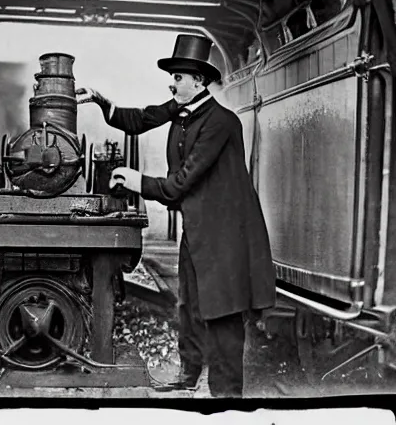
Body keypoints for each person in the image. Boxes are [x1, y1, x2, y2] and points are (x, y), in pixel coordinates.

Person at [76, 34, 276, 398]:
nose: (173, 82)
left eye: (179, 77)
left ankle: (226, 397)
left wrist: (139, 181)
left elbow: (183, 182)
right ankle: (188, 376)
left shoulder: (221, 123)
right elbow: (140, 119)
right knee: (190, 307)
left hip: (226, 234)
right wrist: (104, 104)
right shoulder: (180, 110)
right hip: (197, 229)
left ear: (198, 81)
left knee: (223, 313)